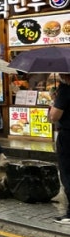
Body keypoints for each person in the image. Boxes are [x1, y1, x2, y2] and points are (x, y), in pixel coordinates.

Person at [49, 73, 70, 224]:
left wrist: (53, 103)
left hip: (68, 135)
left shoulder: (65, 89)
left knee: (68, 173)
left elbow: (54, 116)